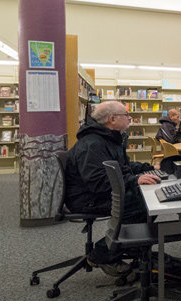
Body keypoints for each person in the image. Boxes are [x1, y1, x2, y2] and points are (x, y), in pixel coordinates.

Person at [65, 101, 161, 271]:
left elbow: (123, 167)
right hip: (87, 198)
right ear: (112, 119)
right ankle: (102, 253)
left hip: (99, 191)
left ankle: (127, 244)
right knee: (144, 204)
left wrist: (150, 168)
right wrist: (134, 181)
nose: (129, 119)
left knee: (147, 199)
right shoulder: (93, 144)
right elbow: (98, 183)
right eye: (126, 115)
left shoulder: (109, 139)